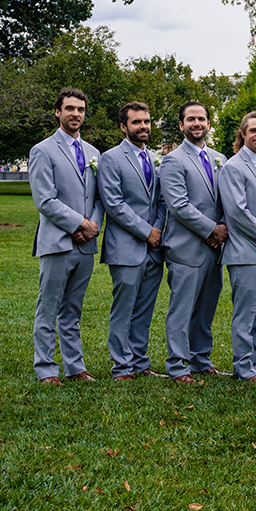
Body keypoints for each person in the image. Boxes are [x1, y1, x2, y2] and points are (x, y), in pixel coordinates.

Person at [29, 88, 104, 384]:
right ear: (57, 112)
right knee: (48, 308)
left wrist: (93, 224)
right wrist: (79, 224)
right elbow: (45, 201)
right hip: (58, 242)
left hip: (86, 245)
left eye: (81, 109)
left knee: (73, 310)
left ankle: (75, 367)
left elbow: (99, 198)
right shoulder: (42, 150)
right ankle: (46, 369)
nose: (76, 114)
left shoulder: (93, 153)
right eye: (70, 108)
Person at [160, 101, 229, 384]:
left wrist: (223, 227)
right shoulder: (173, 160)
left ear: (208, 124)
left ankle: (201, 358)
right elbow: (178, 205)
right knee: (182, 308)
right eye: (190, 119)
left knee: (206, 307)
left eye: (201, 118)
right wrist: (212, 230)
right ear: (181, 125)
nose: (196, 123)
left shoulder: (220, 158)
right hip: (187, 247)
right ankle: (177, 365)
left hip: (216, 248)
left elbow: (227, 197)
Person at [98, 102, 167, 381]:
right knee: (124, 309)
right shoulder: (111, 158)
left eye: (147, 122)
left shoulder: (154, 158)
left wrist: (158, 230)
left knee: (144, 310)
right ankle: (121, 367)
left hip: (154, 248)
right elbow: (114, 205)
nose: (144, 127)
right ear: (123, 127)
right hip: (126, 246)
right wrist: (146, 231)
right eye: (137, 122)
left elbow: (162, 201)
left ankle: (140, 362)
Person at [219, 111, 256, 383]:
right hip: (245, 251)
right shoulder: (234, 167)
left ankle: (251, 363)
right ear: (242, 134)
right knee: (245, 313)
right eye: (253, 130)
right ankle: (243, 368)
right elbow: (238, 212)